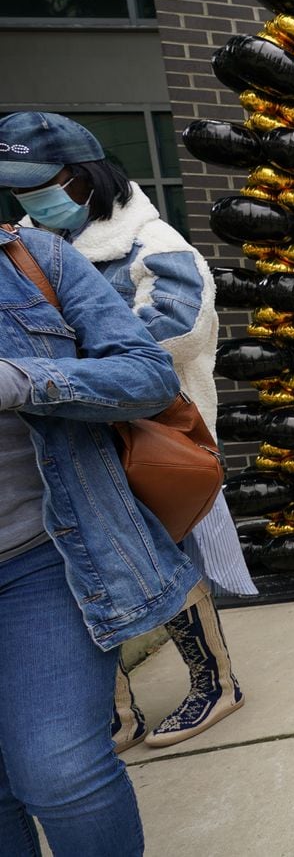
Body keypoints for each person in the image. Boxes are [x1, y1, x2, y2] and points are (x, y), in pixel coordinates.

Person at [0, 111, 253, 751]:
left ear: (86, 177)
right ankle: (113, 712)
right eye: (19, 189)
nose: (32, 200)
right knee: (77, 572)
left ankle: (215, 683)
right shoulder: (22, 251)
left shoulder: (153, 243)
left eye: (45, 183)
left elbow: (176, 333)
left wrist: (52, 364)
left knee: (166, 564)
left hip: (146, 442)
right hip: (63, 450)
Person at [0, 214, 198, 855]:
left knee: (60, 770)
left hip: (42, 548)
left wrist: (26, 379)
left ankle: (213, 681)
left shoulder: (33, 258)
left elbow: (155, 366)